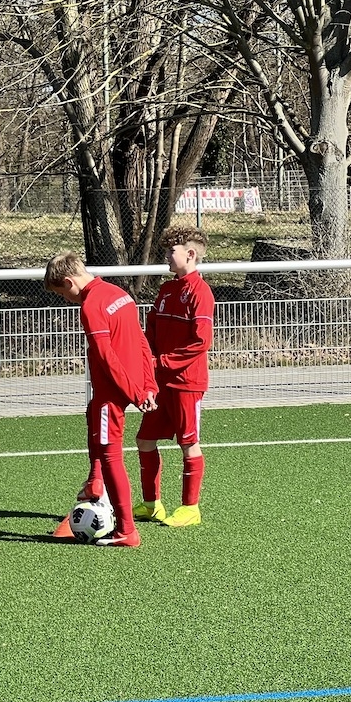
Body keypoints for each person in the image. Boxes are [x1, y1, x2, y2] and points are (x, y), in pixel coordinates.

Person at [44, 251, 157, 548]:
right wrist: (148, 385)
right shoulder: (119, 293)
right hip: (129, 385)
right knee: (91, 413)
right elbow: (141, 342)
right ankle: (95, 481)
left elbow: (107, 357)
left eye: (62, 294)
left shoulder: (91, 305)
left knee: (111, 455)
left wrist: (134, 392)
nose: (66, 299)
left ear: (69, 282)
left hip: (113, 391)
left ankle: (126, 530)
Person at [135, 226, 215, 528]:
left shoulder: (200, 292)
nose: (166, 257)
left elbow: (201, 341)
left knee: (188, 443)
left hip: (186, 383)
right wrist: (147, 360)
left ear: (190, 254)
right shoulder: (167, 290)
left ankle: (190, 508)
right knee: (144, 440)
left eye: (171, 251)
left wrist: (163, 362)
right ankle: (151, 504)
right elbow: (152, 330)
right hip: (160, 381)